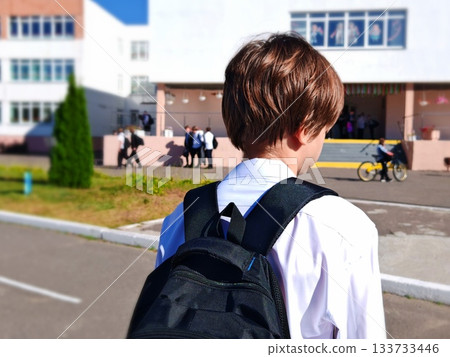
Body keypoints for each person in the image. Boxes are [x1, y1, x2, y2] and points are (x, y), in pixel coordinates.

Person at [155, 33, 386, 339]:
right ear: (304, 129)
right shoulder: (343, 227)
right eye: (325, 130)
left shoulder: (181, 217)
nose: (324, 140)